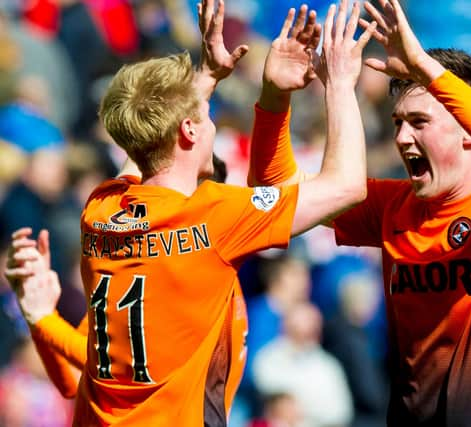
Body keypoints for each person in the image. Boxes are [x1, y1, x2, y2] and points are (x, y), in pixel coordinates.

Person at [4, 0, 377, 425]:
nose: (212, 127)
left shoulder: (101, 210)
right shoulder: (214, 218)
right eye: (205, 118)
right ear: (189, 131)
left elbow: (72, 380)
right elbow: (347, 186)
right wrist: (342, 83)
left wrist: (40, 317)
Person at [248, 0, 471, 425]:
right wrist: (274, 97)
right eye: (398, 122)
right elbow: (273, 193)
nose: (402, 137)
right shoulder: (392, 206)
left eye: (419, 121)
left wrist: (420, 63)